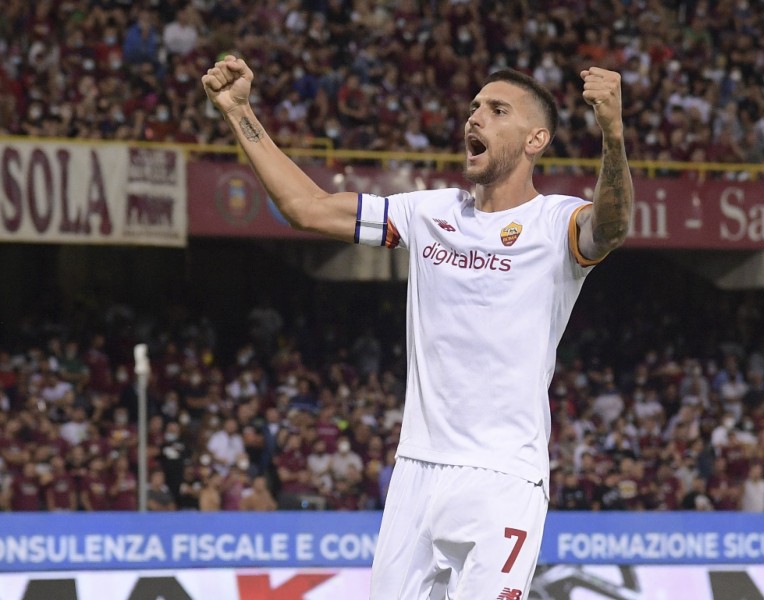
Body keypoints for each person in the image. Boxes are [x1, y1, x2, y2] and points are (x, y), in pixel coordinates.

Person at [203, 55, 632, 599]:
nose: (475, 117)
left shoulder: (556, 223)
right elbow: (306, 208)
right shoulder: (427, 214)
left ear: (535, 140)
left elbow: (612, 227)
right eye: (474, 107)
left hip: (503, 478)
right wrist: (240, 111)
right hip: (416, 473)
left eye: (498, 111)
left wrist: (612, 135)